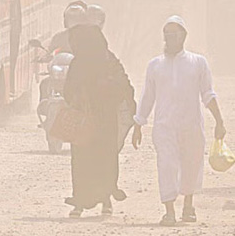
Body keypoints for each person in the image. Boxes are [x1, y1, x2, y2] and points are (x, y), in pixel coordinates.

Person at [132, 15, 227, 226]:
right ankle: (169, 211)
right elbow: (148, 96)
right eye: (166, 35)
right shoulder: (155, 65)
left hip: (191, 125)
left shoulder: (198, 62)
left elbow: (208, 94)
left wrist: (219, 121)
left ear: (183, 36)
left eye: (173, 35)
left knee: (191, 164)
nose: (169, 39)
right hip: (164, 127)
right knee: (166, 164)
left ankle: (188, 206)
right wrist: (139, 123)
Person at [63, 24, 135, 218]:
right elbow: (68, 90)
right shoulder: (77, 63)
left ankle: (105, 199)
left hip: (105, 120)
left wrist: (105, 88)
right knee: (82, 162)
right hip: (84, 120)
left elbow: (124, 85)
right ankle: (79, 201)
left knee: (104, 160)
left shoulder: (108, 60)